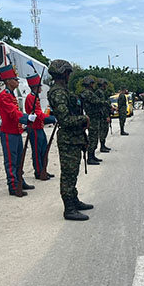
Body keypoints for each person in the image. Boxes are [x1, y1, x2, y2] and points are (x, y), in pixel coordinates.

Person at [47, 59, 93, 221]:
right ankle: (69, 208)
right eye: (68, 73)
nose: (69, 76)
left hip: (74, 138)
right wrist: (84, 118)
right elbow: (65, 120)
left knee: (73, 173)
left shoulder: (63, 91)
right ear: (64, 73)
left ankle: (74, 200)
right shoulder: (58, 93)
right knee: (68, 174)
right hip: (68, 139)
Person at [0, 64, 36, 197]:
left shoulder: (11, 95)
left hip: (15, 132)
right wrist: (26, 118)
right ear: (8, 81)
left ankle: (20, 181)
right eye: (15, 79)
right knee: (11, 160)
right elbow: (13, 113)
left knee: (19, 159)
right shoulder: (4, 96)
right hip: (9, 133)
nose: (17, 82)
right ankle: (13, 186)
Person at [25, 73, 57, 179]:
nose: (41, 89)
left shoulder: (35, 97)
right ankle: (38, 172)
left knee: (44, 150)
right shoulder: (30, 98)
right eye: (39, 86)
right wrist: (52, 119)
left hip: (39, 127)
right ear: (35, 87)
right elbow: (38, 114)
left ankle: (44, 170)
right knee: (37, 152)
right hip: (34, 128)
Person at [79, 76, 104, 165]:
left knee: (94, 137)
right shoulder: (88, 93)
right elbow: (97, 101)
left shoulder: (87, 92)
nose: (93, 85)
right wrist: (105, 103)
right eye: (92, 83)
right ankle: (90, 157)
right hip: (92, 118)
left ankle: (92, 155)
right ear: (90, 84)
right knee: (93, 138)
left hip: (93, 117)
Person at [95, 78, 112, 153]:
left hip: (103, 114)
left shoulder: (101, 92)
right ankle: (102, 146)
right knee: (103, 131)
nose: (106, 86)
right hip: (102, 116)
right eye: (105, 85)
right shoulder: (100, 92)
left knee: (105, 131)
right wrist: (106, 116)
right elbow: (103, 106)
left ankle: (103, 145)